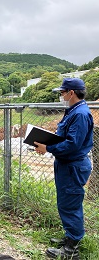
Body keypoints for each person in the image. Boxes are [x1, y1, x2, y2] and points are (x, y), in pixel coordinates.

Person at [34, 78, 93, 260]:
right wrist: (47, 142)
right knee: (66, 203)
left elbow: (73, 145)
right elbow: (64, 138)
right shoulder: (73, 111)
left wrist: (49, 148)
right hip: (66, 164)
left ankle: (71, 251)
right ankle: (70, 239)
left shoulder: (80, 114)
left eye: (62, 92)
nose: (61, 96)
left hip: (73, 165)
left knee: (70, 205)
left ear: (71, 93)